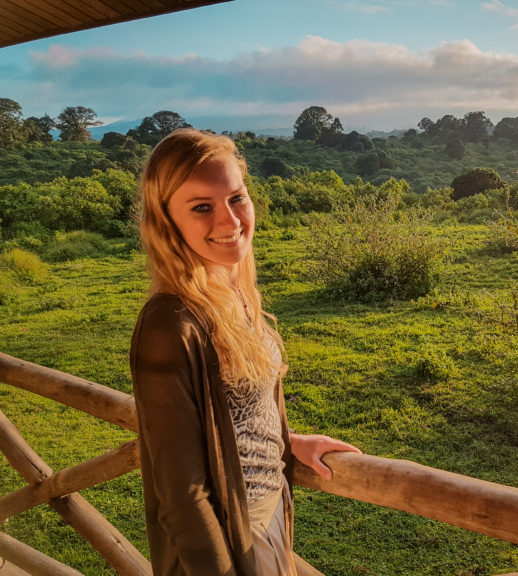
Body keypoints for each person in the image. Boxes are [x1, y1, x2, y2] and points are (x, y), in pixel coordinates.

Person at [130, 128, 360, 576]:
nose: (230, 221)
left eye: (236, 198)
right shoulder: (170, 322)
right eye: (202, 207)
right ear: (166, 220)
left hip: (270, 514)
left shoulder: (229, 287)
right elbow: (182, 493)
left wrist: (288, 443)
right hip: (230, 540)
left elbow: (231, 416)